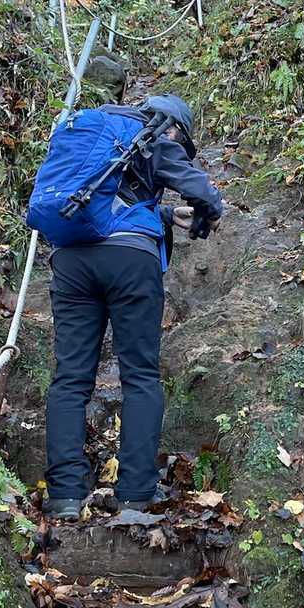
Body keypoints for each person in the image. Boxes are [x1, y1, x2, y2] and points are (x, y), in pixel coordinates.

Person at [42, 92, 223, 522]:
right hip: (129, 263)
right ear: (173, 126)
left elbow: (109, 199)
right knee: (140, 375)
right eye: (182, 140)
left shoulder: (95, 133)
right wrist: (210, 211)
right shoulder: (155, 134)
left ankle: (65, 495)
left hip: (70, 260)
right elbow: (203, 191)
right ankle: (135, 494)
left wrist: (166, 215)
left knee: (70, 378)